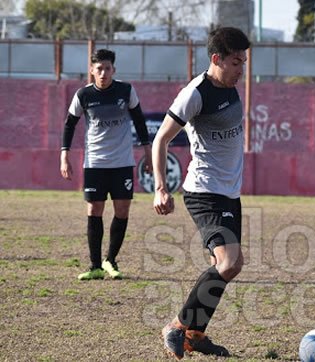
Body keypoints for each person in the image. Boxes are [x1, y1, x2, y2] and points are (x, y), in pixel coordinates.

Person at [152, 27, 250, 359]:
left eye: (244, 63)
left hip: (229, 193)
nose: (241, 70)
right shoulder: (195, 93)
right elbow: (161, 139)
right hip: (204, 191)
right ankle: (176, 327)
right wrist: (161, 188)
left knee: (230, 265)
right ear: (216, 59)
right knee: (228, 262)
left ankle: (195, 334)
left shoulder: (231, 86)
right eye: (236, 63)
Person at [60, 48, 152, 281]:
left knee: (122, 210)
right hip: (95, 163)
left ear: (114, 70)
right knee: (94, 210)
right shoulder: (83, 95)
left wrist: (148, 153)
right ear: (91, 70)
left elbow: (140, 121)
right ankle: (94, 266)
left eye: (107, 68)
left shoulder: (126, 91)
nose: (103, 73)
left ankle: (110, 260)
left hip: (122, 163)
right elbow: (69, 124)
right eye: (98, 69)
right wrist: (64, 155)